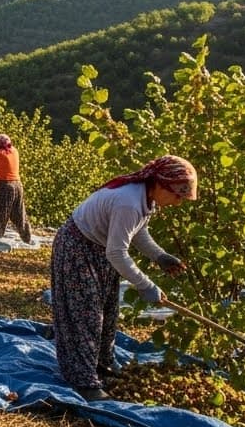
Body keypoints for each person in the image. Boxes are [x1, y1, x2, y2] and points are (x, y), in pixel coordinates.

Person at [50, 155, 195, 401]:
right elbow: (116, 251)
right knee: (86, 315)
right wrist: (145, 285)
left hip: (96, 249)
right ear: (160, 184)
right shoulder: (128, 201)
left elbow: (137, 232)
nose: (178, 202)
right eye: (177, 195)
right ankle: (83, 379)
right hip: (77, 248)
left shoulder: (144, 197)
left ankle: (102, 365)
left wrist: (159, 256)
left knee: (107, 312)